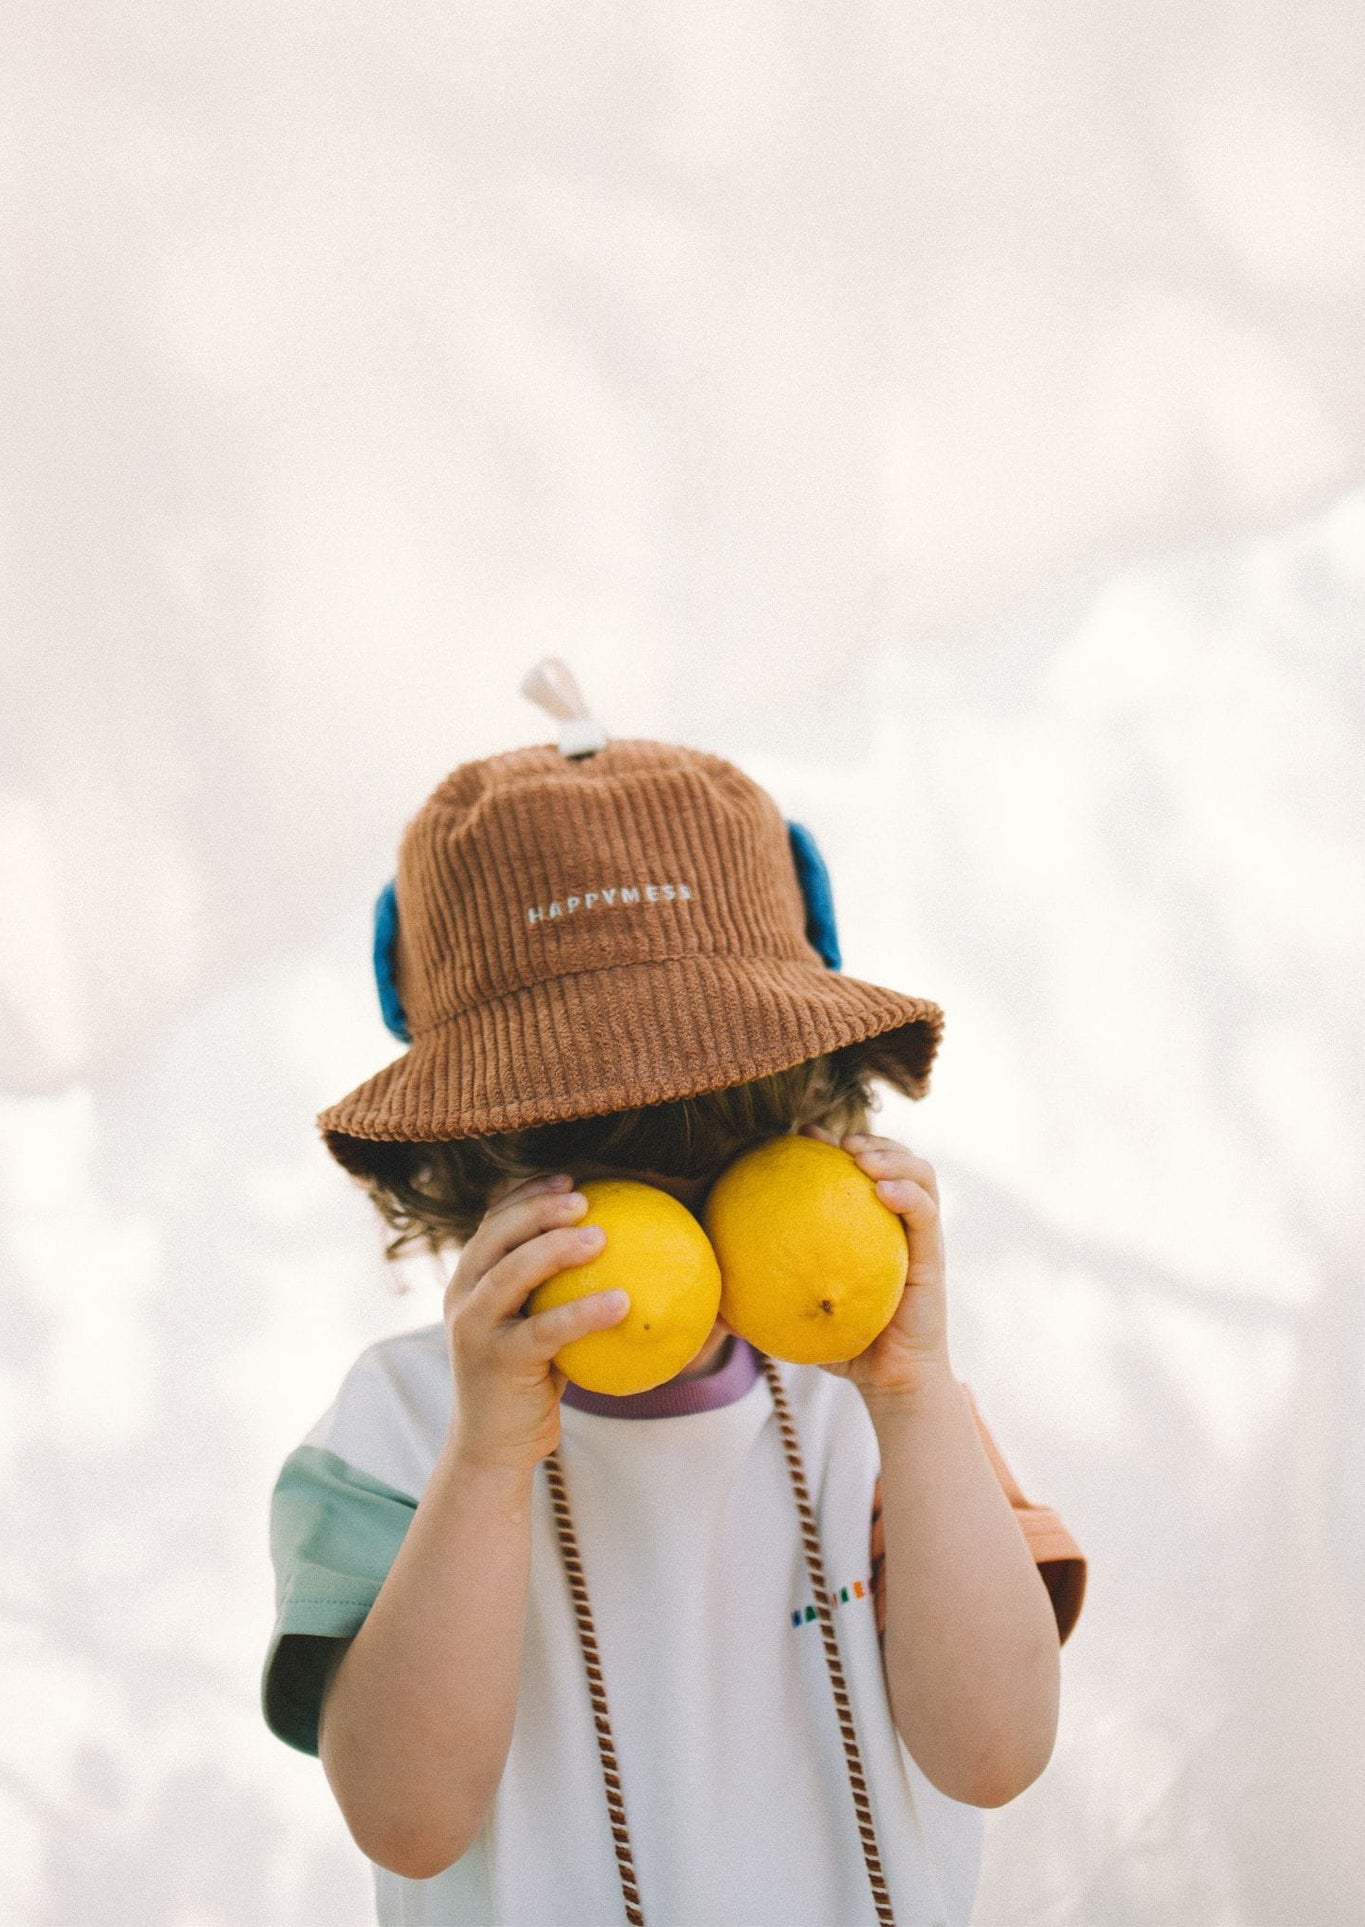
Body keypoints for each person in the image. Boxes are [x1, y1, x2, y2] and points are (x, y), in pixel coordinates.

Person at [262, 712, 1085, 1927]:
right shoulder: (399, 1425)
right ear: (462, 1169)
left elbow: (994, 1750)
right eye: (593, 1151)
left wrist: (911, 1399)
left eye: (727, 1131)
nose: (681, 1214)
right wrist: (486, 1458)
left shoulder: (878, 1401)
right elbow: (407, 1818)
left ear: (816, 1109)